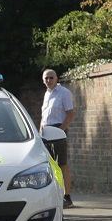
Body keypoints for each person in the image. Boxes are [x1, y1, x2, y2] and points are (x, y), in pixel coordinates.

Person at [40, 68, 76, 208]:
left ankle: (67, 197)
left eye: (51, 77)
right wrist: (40, 133)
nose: (49, 80)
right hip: (46, 131)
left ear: (57, 78)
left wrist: (60, 131)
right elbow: (44, 117)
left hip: (58, 129)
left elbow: (70, 114)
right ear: (43, 81)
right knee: (48, 165)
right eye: (46, 78)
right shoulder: (46, 94)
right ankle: (53, 195)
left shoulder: (64, 93)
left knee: (62, 164)